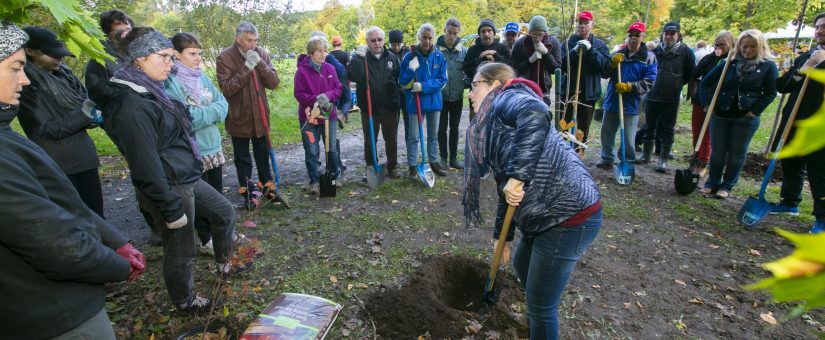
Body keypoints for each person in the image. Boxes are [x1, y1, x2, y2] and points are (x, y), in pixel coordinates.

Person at [0, 21, 145, 338]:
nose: (22, 80)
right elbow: (56, 241)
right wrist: (115, 266)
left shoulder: (8, 134)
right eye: (14, 68)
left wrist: (114, 242)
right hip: (54, 315)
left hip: (80, 156)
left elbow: (72, 206)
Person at [92, 27, 244, 313]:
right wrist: (170, 208)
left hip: (185, 176)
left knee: (224, 212)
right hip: (168, 185)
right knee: (181, 247)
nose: (170, 63)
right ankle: (184, 301)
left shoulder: (153, 92)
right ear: (139, 59)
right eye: (163, 57)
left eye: (171, 57)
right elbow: (144, 165)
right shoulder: (131, 105)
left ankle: (226, 264)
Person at [463, 62, 601, 340]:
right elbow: (507, 188)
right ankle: (538, 318)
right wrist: (503, 236)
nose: (470, 93)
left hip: (568, 214)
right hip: (543, 213)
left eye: (475, 85)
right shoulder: (495, 125)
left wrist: (518, 176)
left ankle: (539, 320)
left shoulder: (509, 98)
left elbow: (537, 112)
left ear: (494, 85)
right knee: (522, 264)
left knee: (541, 306)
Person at [17, 26, 105, 217]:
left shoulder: (64, 73)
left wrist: (91, 116)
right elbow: (45, 129)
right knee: (75, 218)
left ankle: (108, 246)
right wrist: (84, 114)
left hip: (84, 157)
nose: (59, 58)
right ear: (30, 51)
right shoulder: (25, 85)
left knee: (97, 213)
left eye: (60, 54)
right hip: (57, 164)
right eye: (51, 54)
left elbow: (84, 99)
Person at [163, 32, 229, 252]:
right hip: (194, 151)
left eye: (199, 53)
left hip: (213, 145)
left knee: (217, 195)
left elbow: (223, 104)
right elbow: (186, 118)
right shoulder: (171, 81)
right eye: (192, 53)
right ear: (177, 55)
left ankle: (221, 234)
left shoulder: (202, 77)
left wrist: (206, 112)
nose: (198, 58)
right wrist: (211, 112)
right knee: (200, 200)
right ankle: (205, 239)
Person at [698, 29, 777, 199]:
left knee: (736, 154)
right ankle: (712, 182)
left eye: (752, 46)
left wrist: (754, 111)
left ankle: (727, 186)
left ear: (760, 46)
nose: (748, 50)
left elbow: (770, 93)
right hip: (720, 115)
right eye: (745, 46)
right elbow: (705, 82)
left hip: (745, 118)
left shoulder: (767, 66)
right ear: (739, 46)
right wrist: (706, 104)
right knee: (718, 151)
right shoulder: (730, 63)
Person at [216, 21, 280, 209]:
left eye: (255, 40)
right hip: (239, 117)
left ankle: (267, 189)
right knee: (243, 159)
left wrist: (260, 64)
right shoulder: (225, 58)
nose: (253, 44)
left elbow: (274, 82)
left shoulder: (261, 53)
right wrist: (247, 68)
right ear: (238, 39)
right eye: (249, 40)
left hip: (260, 116)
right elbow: (227, 88)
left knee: (262, 154)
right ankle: (248, 193)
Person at [771, 12, 825, 234]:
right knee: (791, 161)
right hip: (794, 119)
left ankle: (822, 219)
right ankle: (790, 201)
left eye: (824, 27)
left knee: (819, 171)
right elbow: (783, 85)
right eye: (818, 27)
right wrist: (806, 67)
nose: (820, 31)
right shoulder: (807, 56)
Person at [597, 22, 657, 170]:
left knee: (629, 137)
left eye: (637, 35)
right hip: (613, 100)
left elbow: (650, 82)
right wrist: (611, 64)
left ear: (643, 37)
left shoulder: (648, 57)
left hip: (632, 103)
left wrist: (631, 86)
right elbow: (604, 73)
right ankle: (606, 158)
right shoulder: (618, 53)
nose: (633, 38)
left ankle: (627, 161)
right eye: (631, 35)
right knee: (607, 132)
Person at [637, 22, 695, 172]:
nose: (668, 36)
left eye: (672, 34)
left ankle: (663, 159)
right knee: (650, 126)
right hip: (653, 95)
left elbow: (689, 74)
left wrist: (677, 84)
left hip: (671, 97)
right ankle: (646, 155)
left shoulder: (686, 52)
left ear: (678, 35)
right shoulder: (655, 51)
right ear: (662, 35)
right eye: (666, 33)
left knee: (668, 128)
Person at [348, 26, 402, 179]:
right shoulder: (361, 58)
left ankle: (392, 166)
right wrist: (358, 58)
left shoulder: (392, 57)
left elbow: (399, 78)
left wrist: (395, 96)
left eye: (380, 40)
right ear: (367, 42)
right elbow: (355, 76)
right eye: (373, 40)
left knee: (391, 138)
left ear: (384, 40)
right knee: (370, 139)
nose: (377, 43)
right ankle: (371, 166)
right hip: (369, 107)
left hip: (389, 106)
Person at [399, 23, 449, 177]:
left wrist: (424, 86)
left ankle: (434, 162)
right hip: (415, 103)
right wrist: (410, 69)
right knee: (413, 136)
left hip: (433, 102)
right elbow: (402, 82)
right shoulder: (409, 57)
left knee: (433, 135)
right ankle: (413, 166)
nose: (427, 41)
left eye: (429, 38)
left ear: (433, 38)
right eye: (424, 37)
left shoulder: (439, 56)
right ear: (418, 37)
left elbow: (443, 80)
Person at [294, 36, 342, 192]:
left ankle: (334, 176)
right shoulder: (302, 72)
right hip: (310, 118)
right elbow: (299, 94)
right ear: (310, 54)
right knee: (311, 150)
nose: (323, 54)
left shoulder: (330, 69)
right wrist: (316, 99)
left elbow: (338, 89)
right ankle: (314, 180)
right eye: (319, 51)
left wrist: (327, 96)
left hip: (329, 116)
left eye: (325, 50)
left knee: (332, 148)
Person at [561, 11, 611, 158]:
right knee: (563, 124)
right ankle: (562, 155)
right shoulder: (568, 42)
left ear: (592, 24)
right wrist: (574, 51)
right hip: (568, 92)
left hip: (588, 93)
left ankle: (578, 156)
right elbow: (562, 64)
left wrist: (590, 50)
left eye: (586, 22)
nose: (582, 25)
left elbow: (605, 67)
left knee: (583, 127)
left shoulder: (600, 45)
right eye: (580, 22)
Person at [688, 31, 734, 175]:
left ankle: (703, 162)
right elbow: (695, 75)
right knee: (697, 132)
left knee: (707, 135)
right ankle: (695, 158)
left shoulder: (732, 61)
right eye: (716, 45)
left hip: (718, 103)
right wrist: (695, 94)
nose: (718, 47)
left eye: (722, 45)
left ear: (730, 44)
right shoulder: (708, 58)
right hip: (700, 100)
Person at [464, 19, 512, 118]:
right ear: (479, 34)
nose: (486, 34)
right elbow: (466, 70)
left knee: (496, 121)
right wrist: (480, 58)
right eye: (483, 31)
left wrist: (497, 56)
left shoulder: (502, 48)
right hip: (476, 92)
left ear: (493, 33)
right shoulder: (473, 50)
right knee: (475, 121)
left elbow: (510, 69)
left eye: (489, 31)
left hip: (498, 93)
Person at [511, 15, 562, 108]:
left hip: (544, 92)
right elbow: (514, 69)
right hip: (524, 90)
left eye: (540, 35)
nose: (537, 38)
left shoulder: (553, 42)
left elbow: (556, 69)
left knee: (543, 118)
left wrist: (546, 53)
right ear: (529, 32)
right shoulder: (520, 44)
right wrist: (530, 60)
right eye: (534, 35)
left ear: (545, 33)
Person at [437, 17, 467, 170]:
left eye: (455, 33)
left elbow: (469, 72)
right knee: (441, 128)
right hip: (440, 97)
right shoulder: (435, 51)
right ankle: (443, 157)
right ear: (444, 31)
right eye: (449, 33)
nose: (451, 37)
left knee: (454, 127)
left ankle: (454, 158)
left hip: (457, 97)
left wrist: (466, 83)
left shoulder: (464, 51)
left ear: (458, 33)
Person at [85, 9, 134, 100]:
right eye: (119, 32)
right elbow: (96, 91)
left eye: (128, 30)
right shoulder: (100, 57)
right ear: (107, 33)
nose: (125, 35)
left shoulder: (136, 52)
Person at [388, 29, 411, 137]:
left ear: (402, 43)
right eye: (394, 45)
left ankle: (410, 149)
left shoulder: (408, 53)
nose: (396, 47)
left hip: (407, 93)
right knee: (392, 125)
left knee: (409, 123)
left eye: (399, 44)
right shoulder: (386, 55)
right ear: (390, 44)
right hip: (393, 94)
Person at [330, 36, 352, 127]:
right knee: (347, 100)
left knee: (337, 100)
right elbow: (349, 69)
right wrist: (349, 81)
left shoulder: (329, 55)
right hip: (343, 81)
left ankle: (341, 116)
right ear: (340, 43)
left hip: (333, 82)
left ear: (332, 44)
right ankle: (343, 114)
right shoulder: (345, 54)